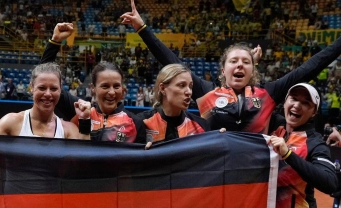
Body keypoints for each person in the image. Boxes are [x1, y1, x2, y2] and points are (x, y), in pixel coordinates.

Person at [120, 0, 341, 134]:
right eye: (233, 61)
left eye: (245, 62)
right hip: (216, 174)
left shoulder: (268, 93)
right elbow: (173, 63)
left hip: (254, 180)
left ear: (253, 69)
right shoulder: (208, 92)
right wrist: (143, 29)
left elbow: (310, 67)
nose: (239, 65)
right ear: (223, 69)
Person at [40, 23, 147, 144]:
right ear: (93, 88)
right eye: (105, 86)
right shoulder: (79, 111)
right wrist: (55, 41)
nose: (111, 92)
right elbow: (43, 77)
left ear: (123, 90)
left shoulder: (136, 123)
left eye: (116, 86)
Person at [269, 83, 337, 208]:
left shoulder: (314, 142)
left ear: (314, 112)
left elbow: (330, 182)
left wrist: (288, 155)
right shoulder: (274, 128)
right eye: (293, 98)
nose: (297, 105)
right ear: (285, 101)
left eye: (306, 103)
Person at [0, 63, 91, 139]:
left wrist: (85, 120)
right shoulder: (11, 122)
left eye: (53, 89)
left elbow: (83, 162)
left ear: (61, 90)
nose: (48, 94)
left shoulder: (68, 130)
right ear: (31, 88)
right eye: (42, 88)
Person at [138, 64, 210, 144]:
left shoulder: (201, 125)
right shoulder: (142, 122)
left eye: (190, 86)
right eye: (182, 85)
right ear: (162, 88)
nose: (189, 92)